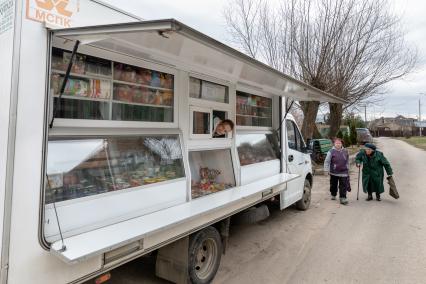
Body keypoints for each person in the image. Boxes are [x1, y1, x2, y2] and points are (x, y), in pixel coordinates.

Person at [324, 138, 350, 205]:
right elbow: (327, 161)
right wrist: (326, 170)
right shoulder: (331, 152)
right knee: (333, 185)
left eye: (339, 143)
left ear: (341, 144)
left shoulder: (345, 151)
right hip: (334, 172)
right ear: (334, 144)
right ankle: (333, 194)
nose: (338, 144)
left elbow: (347, 161)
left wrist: (348, 169)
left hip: (344, 172)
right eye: (337, 143)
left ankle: (343, 198)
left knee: (343, 185)